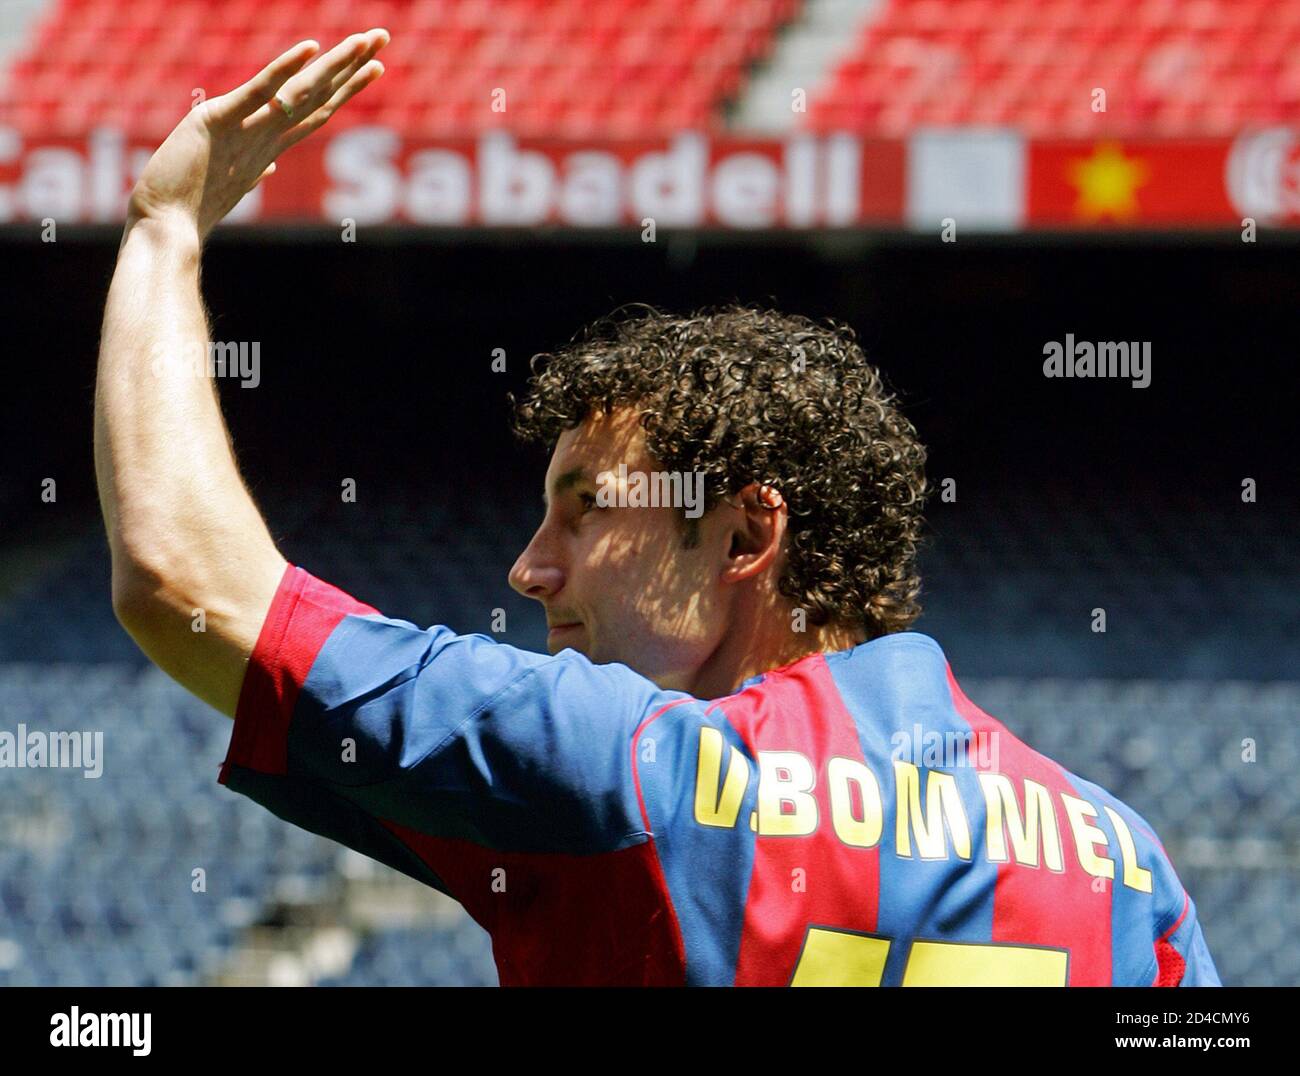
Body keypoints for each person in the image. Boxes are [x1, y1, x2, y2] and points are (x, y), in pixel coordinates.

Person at [95, 31, 1219, 986]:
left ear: (743, 534)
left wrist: (162, 234)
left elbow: (185, 585)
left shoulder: (618, 765)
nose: (529, 569)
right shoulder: (1128, 868)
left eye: (585, 511)